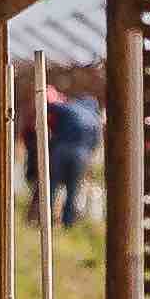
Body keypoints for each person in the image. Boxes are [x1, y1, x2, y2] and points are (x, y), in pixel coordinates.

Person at [43, 78, 101, 231]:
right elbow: (95, 143)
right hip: (82, 155)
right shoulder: (95, 118)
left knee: (52, 185)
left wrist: (51, 95)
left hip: (61, 151)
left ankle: (45, 220)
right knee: (73, 190)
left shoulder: (70, 107)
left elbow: (51, 107)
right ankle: (67, 223)